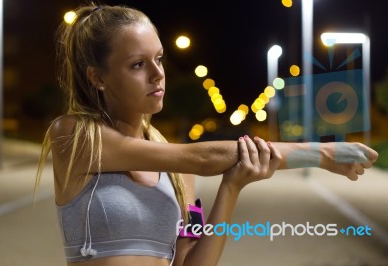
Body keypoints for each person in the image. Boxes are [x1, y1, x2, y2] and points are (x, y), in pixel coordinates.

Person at [35, 3, 378, 266]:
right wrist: (318, 153)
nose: (158, 75)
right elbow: (201, 157)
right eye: (137, 64)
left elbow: (191, 259)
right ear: (98, 77)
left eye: (159, 59)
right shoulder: (74, 136)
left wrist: (231, 187)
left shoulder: (180, 173)